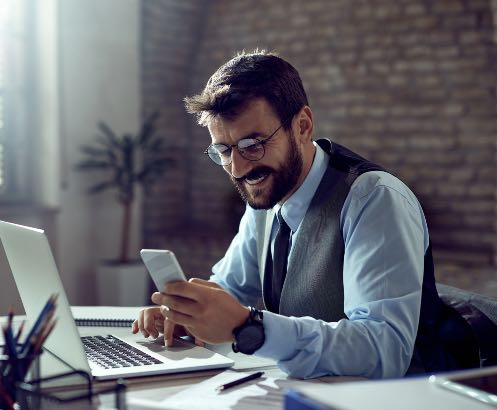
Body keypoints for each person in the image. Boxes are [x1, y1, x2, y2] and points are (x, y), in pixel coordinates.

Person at [132, 51, 475, 378]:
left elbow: (382, 351)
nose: (237, 168)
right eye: (223, 150)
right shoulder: (265, 197)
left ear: (302, 126)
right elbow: (230, 291)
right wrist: (187, 313)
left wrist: (249, 328)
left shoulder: (375, 199)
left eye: (253, 145)